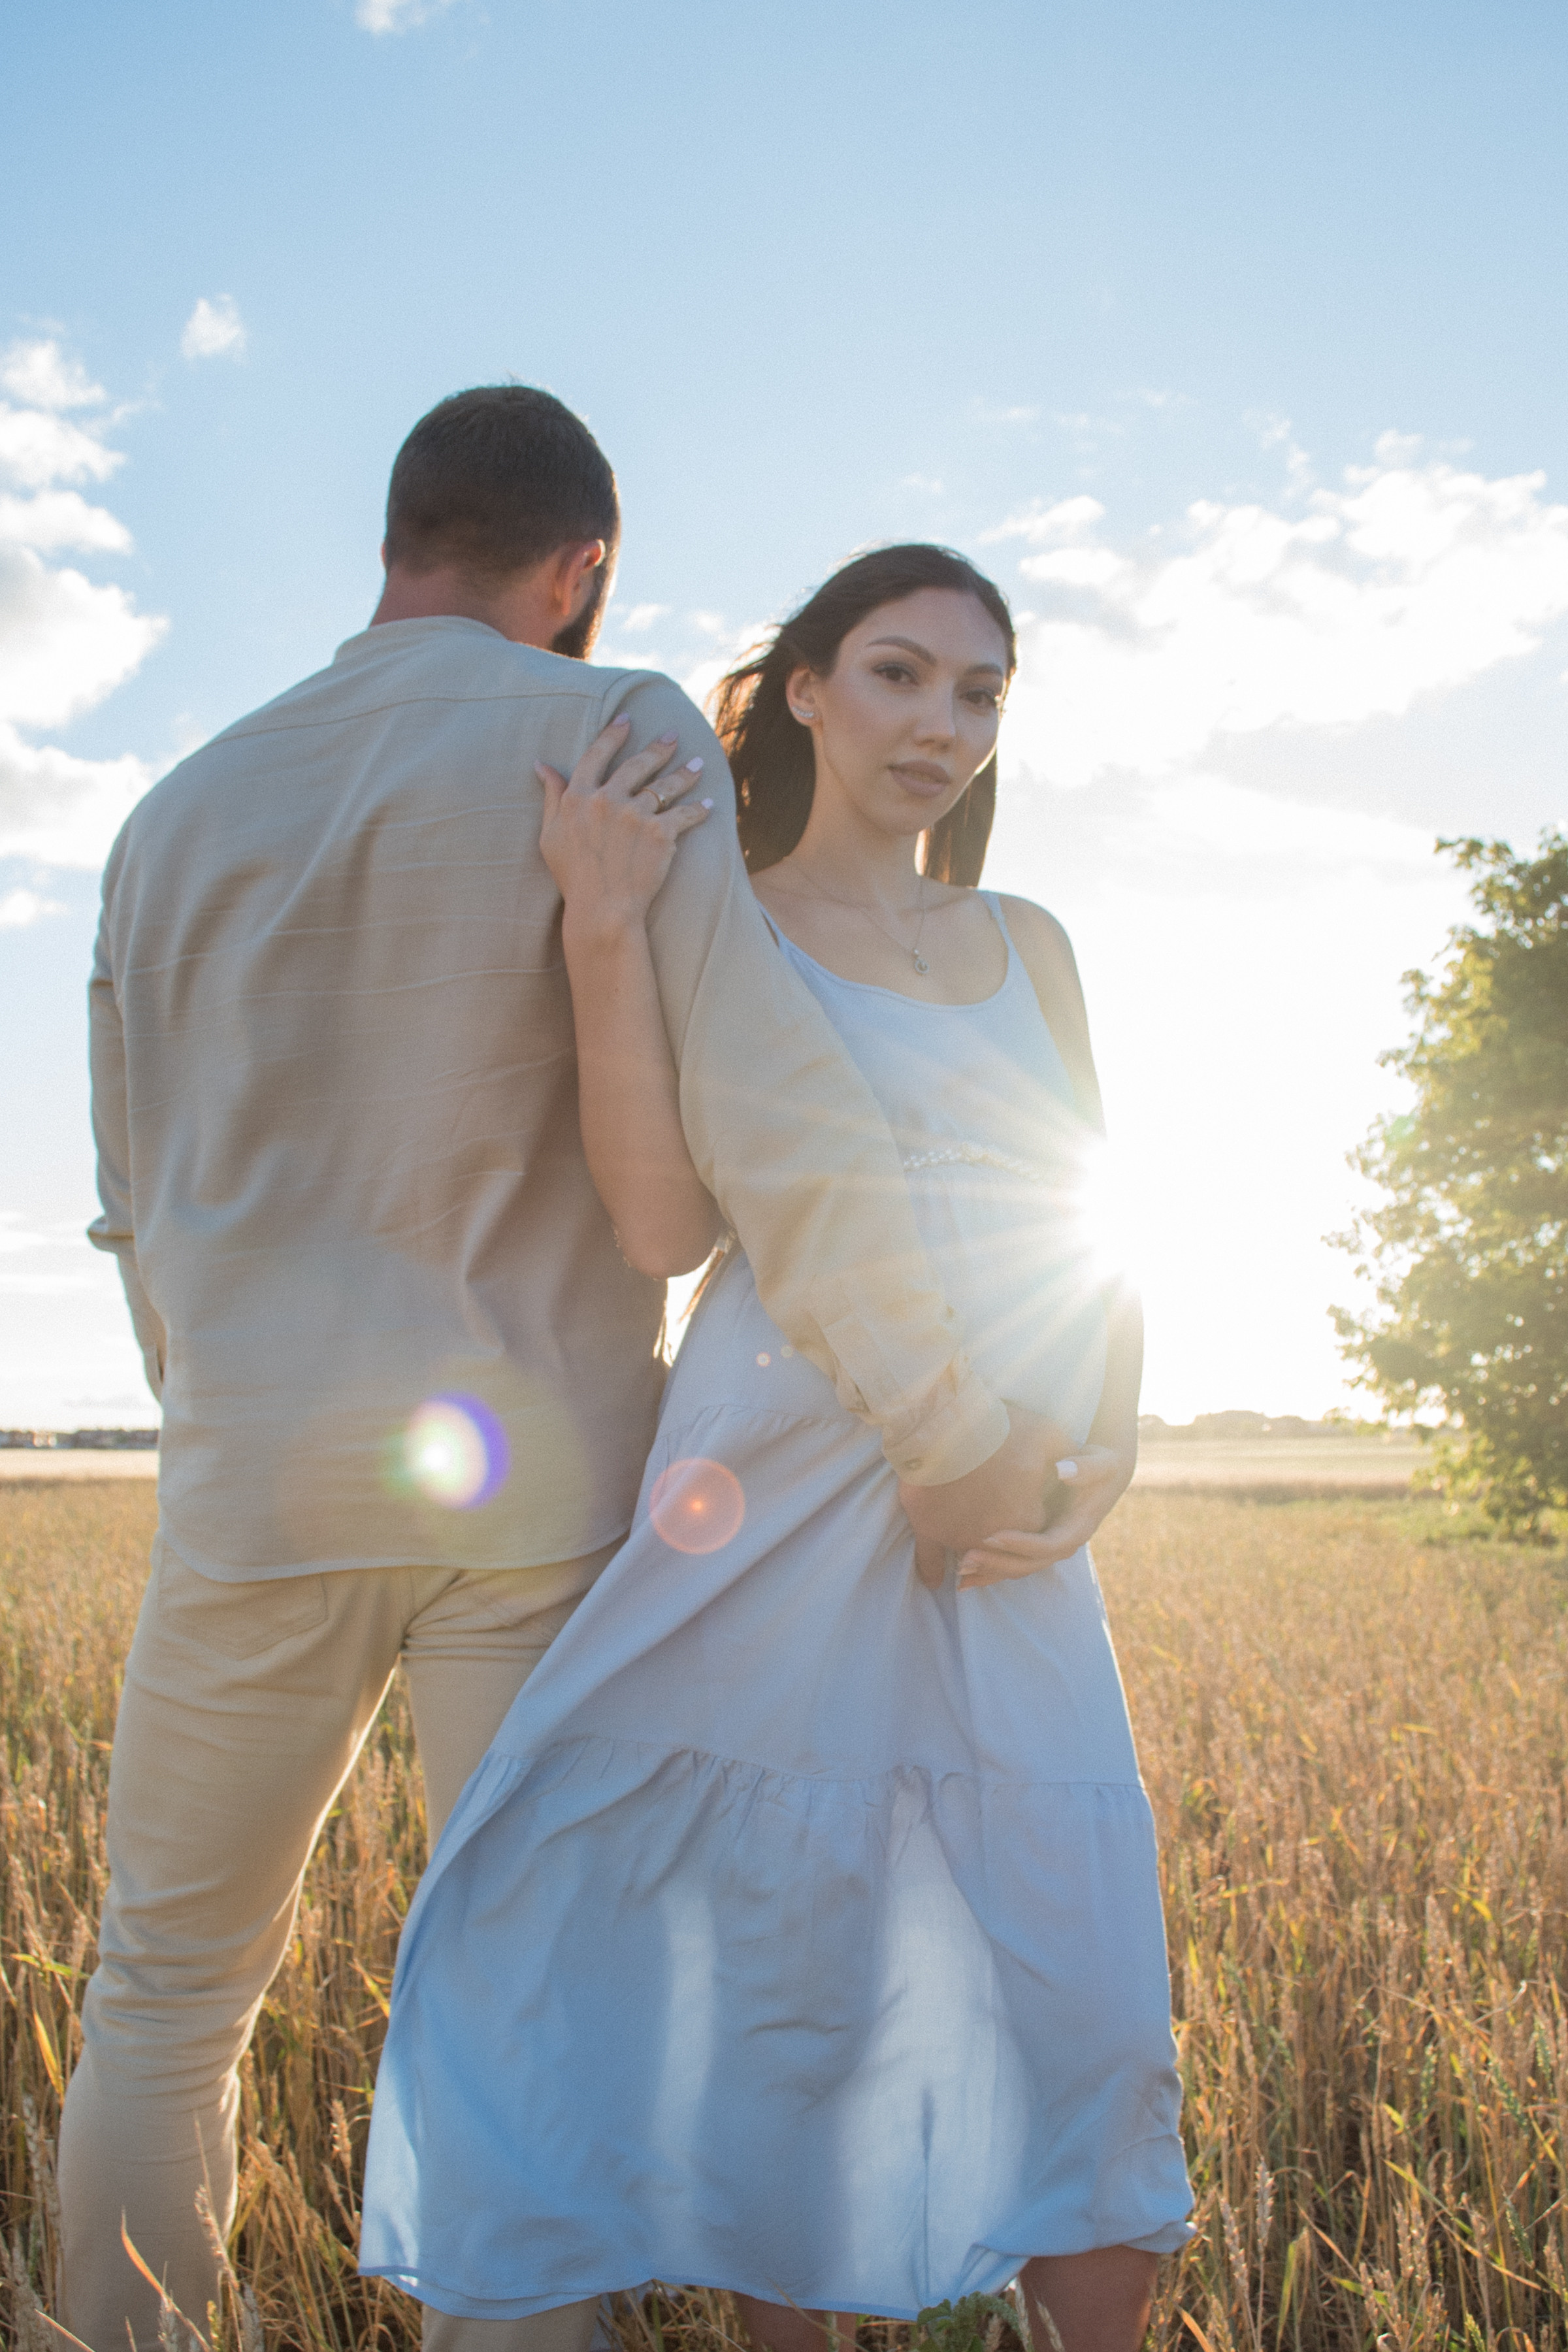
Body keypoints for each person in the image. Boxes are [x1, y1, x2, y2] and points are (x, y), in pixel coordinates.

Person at [64, 399, 1068, 2352]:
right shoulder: (613, 735)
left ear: (397, 537)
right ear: (581, 568)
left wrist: (216, 1406)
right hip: (538, 1495)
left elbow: (132, 1197)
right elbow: (774, 1118)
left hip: (249, 1481)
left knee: (164, 1999)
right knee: (531, 1999)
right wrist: (946, 1416)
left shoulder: (171, 808)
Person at [359, 546, 1194, 2352]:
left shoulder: (1029, 943)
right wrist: (604, 926)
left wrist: (1114, 1427)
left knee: (1090, 2003)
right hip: (776, 1476)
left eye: (979, 692)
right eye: (899, 673)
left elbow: (1102, 1207)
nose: (941, 722)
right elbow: (662, 1225)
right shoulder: (722, 915)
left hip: (998, 1494)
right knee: (787, 1983)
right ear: (805, 690)